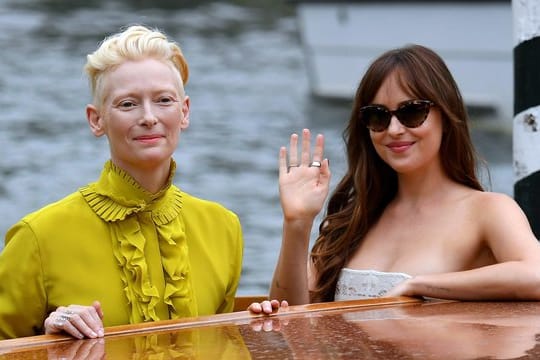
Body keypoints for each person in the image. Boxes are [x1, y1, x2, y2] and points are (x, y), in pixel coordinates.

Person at [250, 44, 540, 314]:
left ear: (446, 115)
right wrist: (297, 224)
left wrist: (421, 285)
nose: (394, 129)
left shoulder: (488, 210)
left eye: (412, 111)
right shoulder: (354, 220)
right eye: (378, 116)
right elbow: (288, 322)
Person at [0, 24, 243, 339]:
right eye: (128, 104)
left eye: (164, 100)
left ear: (184, 112)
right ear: (96, 119)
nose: (148, 117)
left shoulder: (223, 228)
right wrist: (49, 341)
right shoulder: (38, 238)